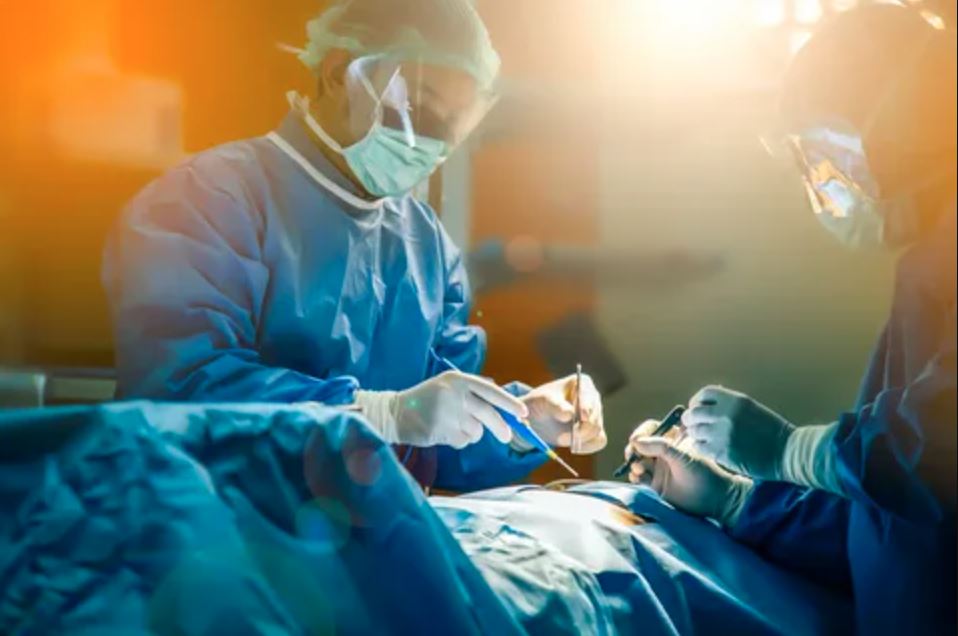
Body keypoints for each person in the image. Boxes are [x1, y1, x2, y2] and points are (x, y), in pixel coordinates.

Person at [102, 0, 606, 491]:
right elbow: (182, 392)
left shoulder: (425, 246)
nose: (435, 142)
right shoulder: (207, 199)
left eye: (452, 125)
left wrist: (527, 424)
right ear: (340, 71)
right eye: (423, 110)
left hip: (369, 544)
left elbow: (442, 440)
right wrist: (379, 414)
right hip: (215, 535)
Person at [624, 5, 956, 634]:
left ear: (898, 124)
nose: (823, 184)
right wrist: (735, 500)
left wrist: (785, 450)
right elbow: (893, 531)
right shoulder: (929, 270)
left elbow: (934, 452)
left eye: (826, 156)